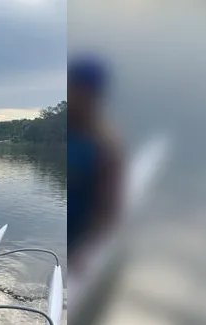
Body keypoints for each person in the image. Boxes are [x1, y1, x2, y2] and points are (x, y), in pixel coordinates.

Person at [67, 54, 125, 271]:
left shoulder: (105, 145)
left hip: (78, 239)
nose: (73, 96)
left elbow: (109, 212)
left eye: (78, 91)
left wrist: (86, 252)